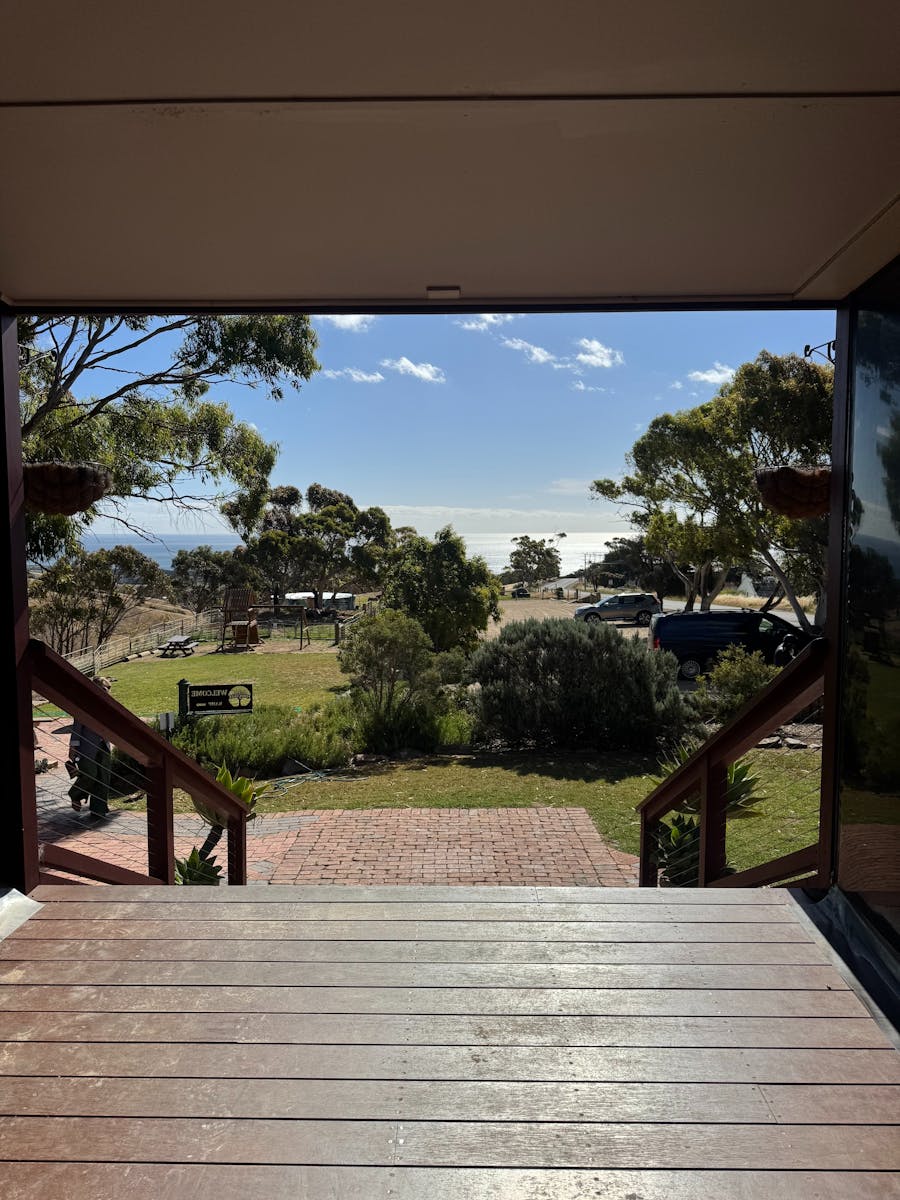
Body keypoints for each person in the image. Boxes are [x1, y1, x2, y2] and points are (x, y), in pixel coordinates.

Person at [66, 677, 113, 817]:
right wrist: (73, 748)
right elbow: (77, 728)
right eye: (104, 689)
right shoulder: (83, 704)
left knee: (103, 777)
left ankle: (99, 809)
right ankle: (74, 794)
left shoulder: (108, 705)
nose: (107, 692)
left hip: (104, 745)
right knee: (90, 775)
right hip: (86, 748)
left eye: (108, 690)